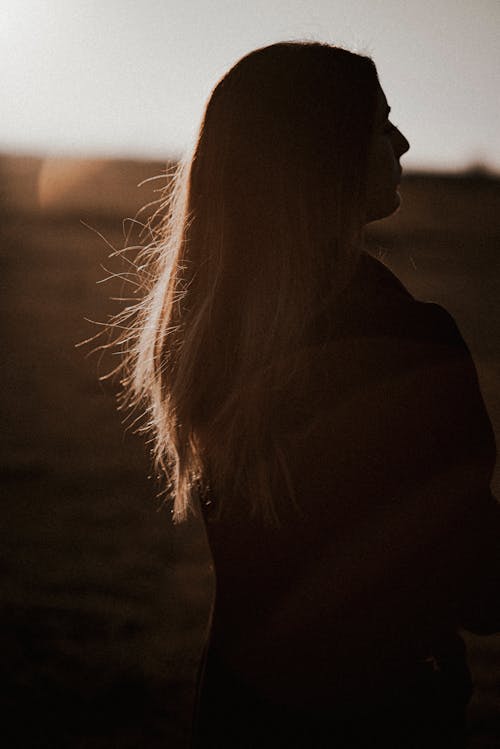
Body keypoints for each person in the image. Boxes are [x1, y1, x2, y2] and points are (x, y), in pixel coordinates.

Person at [117, 42, 500, 747]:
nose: (404, 141)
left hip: (241, 712)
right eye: (381, 124)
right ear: (324, 154)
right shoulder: (404, 343)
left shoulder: (212, 334)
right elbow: (478, 584)